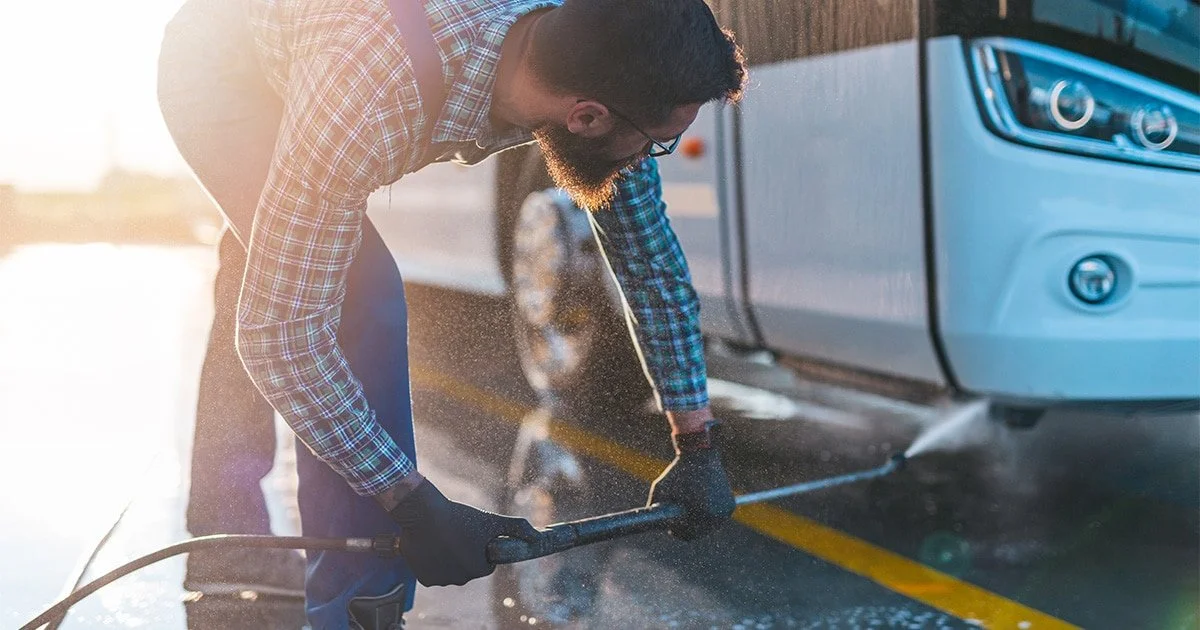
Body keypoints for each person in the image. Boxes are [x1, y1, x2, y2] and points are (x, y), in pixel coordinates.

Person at [157, 0, 747, 626]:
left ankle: (234, 538)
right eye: (658, 143)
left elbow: (648, 263)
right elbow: (281, 336)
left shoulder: (588, 59)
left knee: (278, 274)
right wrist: (411, 504)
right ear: (587, 116)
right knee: (354, 296)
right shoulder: (373, 87)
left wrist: (697, 440)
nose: (653, 154)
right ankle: (358, 603)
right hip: (226, 67)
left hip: (321, 62)